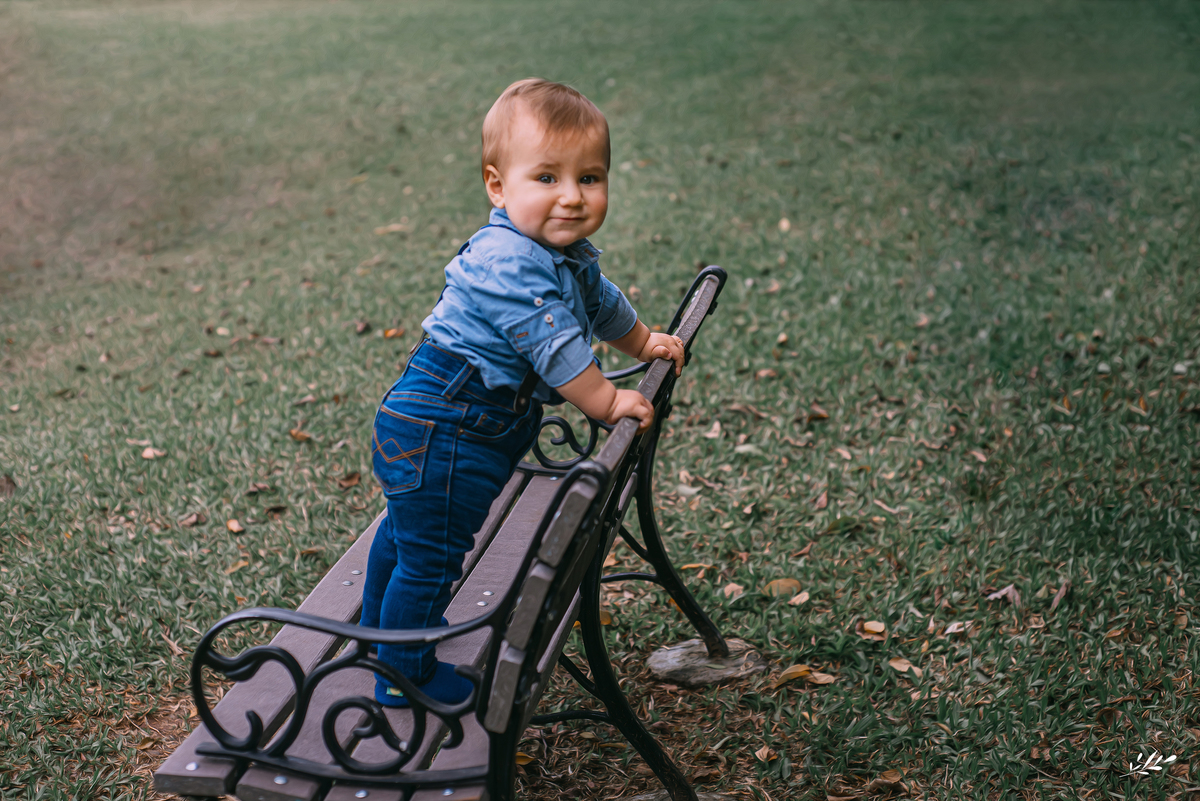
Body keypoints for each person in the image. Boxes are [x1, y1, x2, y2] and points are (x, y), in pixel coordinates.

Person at [360, 78, 686, 707]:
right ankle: (402, 674)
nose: (571, 197)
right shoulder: (506, 259)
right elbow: (553, 342)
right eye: (547, 178)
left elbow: (601, 302)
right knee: (429, 555)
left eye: (589, 178)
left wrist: (642, 341)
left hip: (458, 424)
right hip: (444, 424)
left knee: (409, 537)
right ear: (497, 186)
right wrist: (605, 400)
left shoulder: (562, 255)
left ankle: (381, 634)